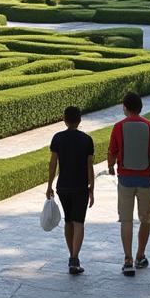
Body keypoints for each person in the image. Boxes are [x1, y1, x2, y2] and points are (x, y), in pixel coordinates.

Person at [107, 92, 150, 277]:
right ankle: (140, 255)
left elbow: (112, 152)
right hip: (145, 178)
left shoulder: (118, 127)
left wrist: (110, 166)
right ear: (140, 107)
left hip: (125, 178)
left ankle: (127, 259)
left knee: (126, 220)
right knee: (145, 219)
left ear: (125, 107)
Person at [46, 105, 95, 275]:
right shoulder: (87, 140)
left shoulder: (57, 138)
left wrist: (49, 185)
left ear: (64, 120)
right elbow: (89, 166)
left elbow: (53, 164)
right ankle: (75, 257)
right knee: (79, 222)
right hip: (80, 186)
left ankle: (71, 255)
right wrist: (92, 188)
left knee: (68, 221)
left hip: (63, 185)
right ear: (80, 120)